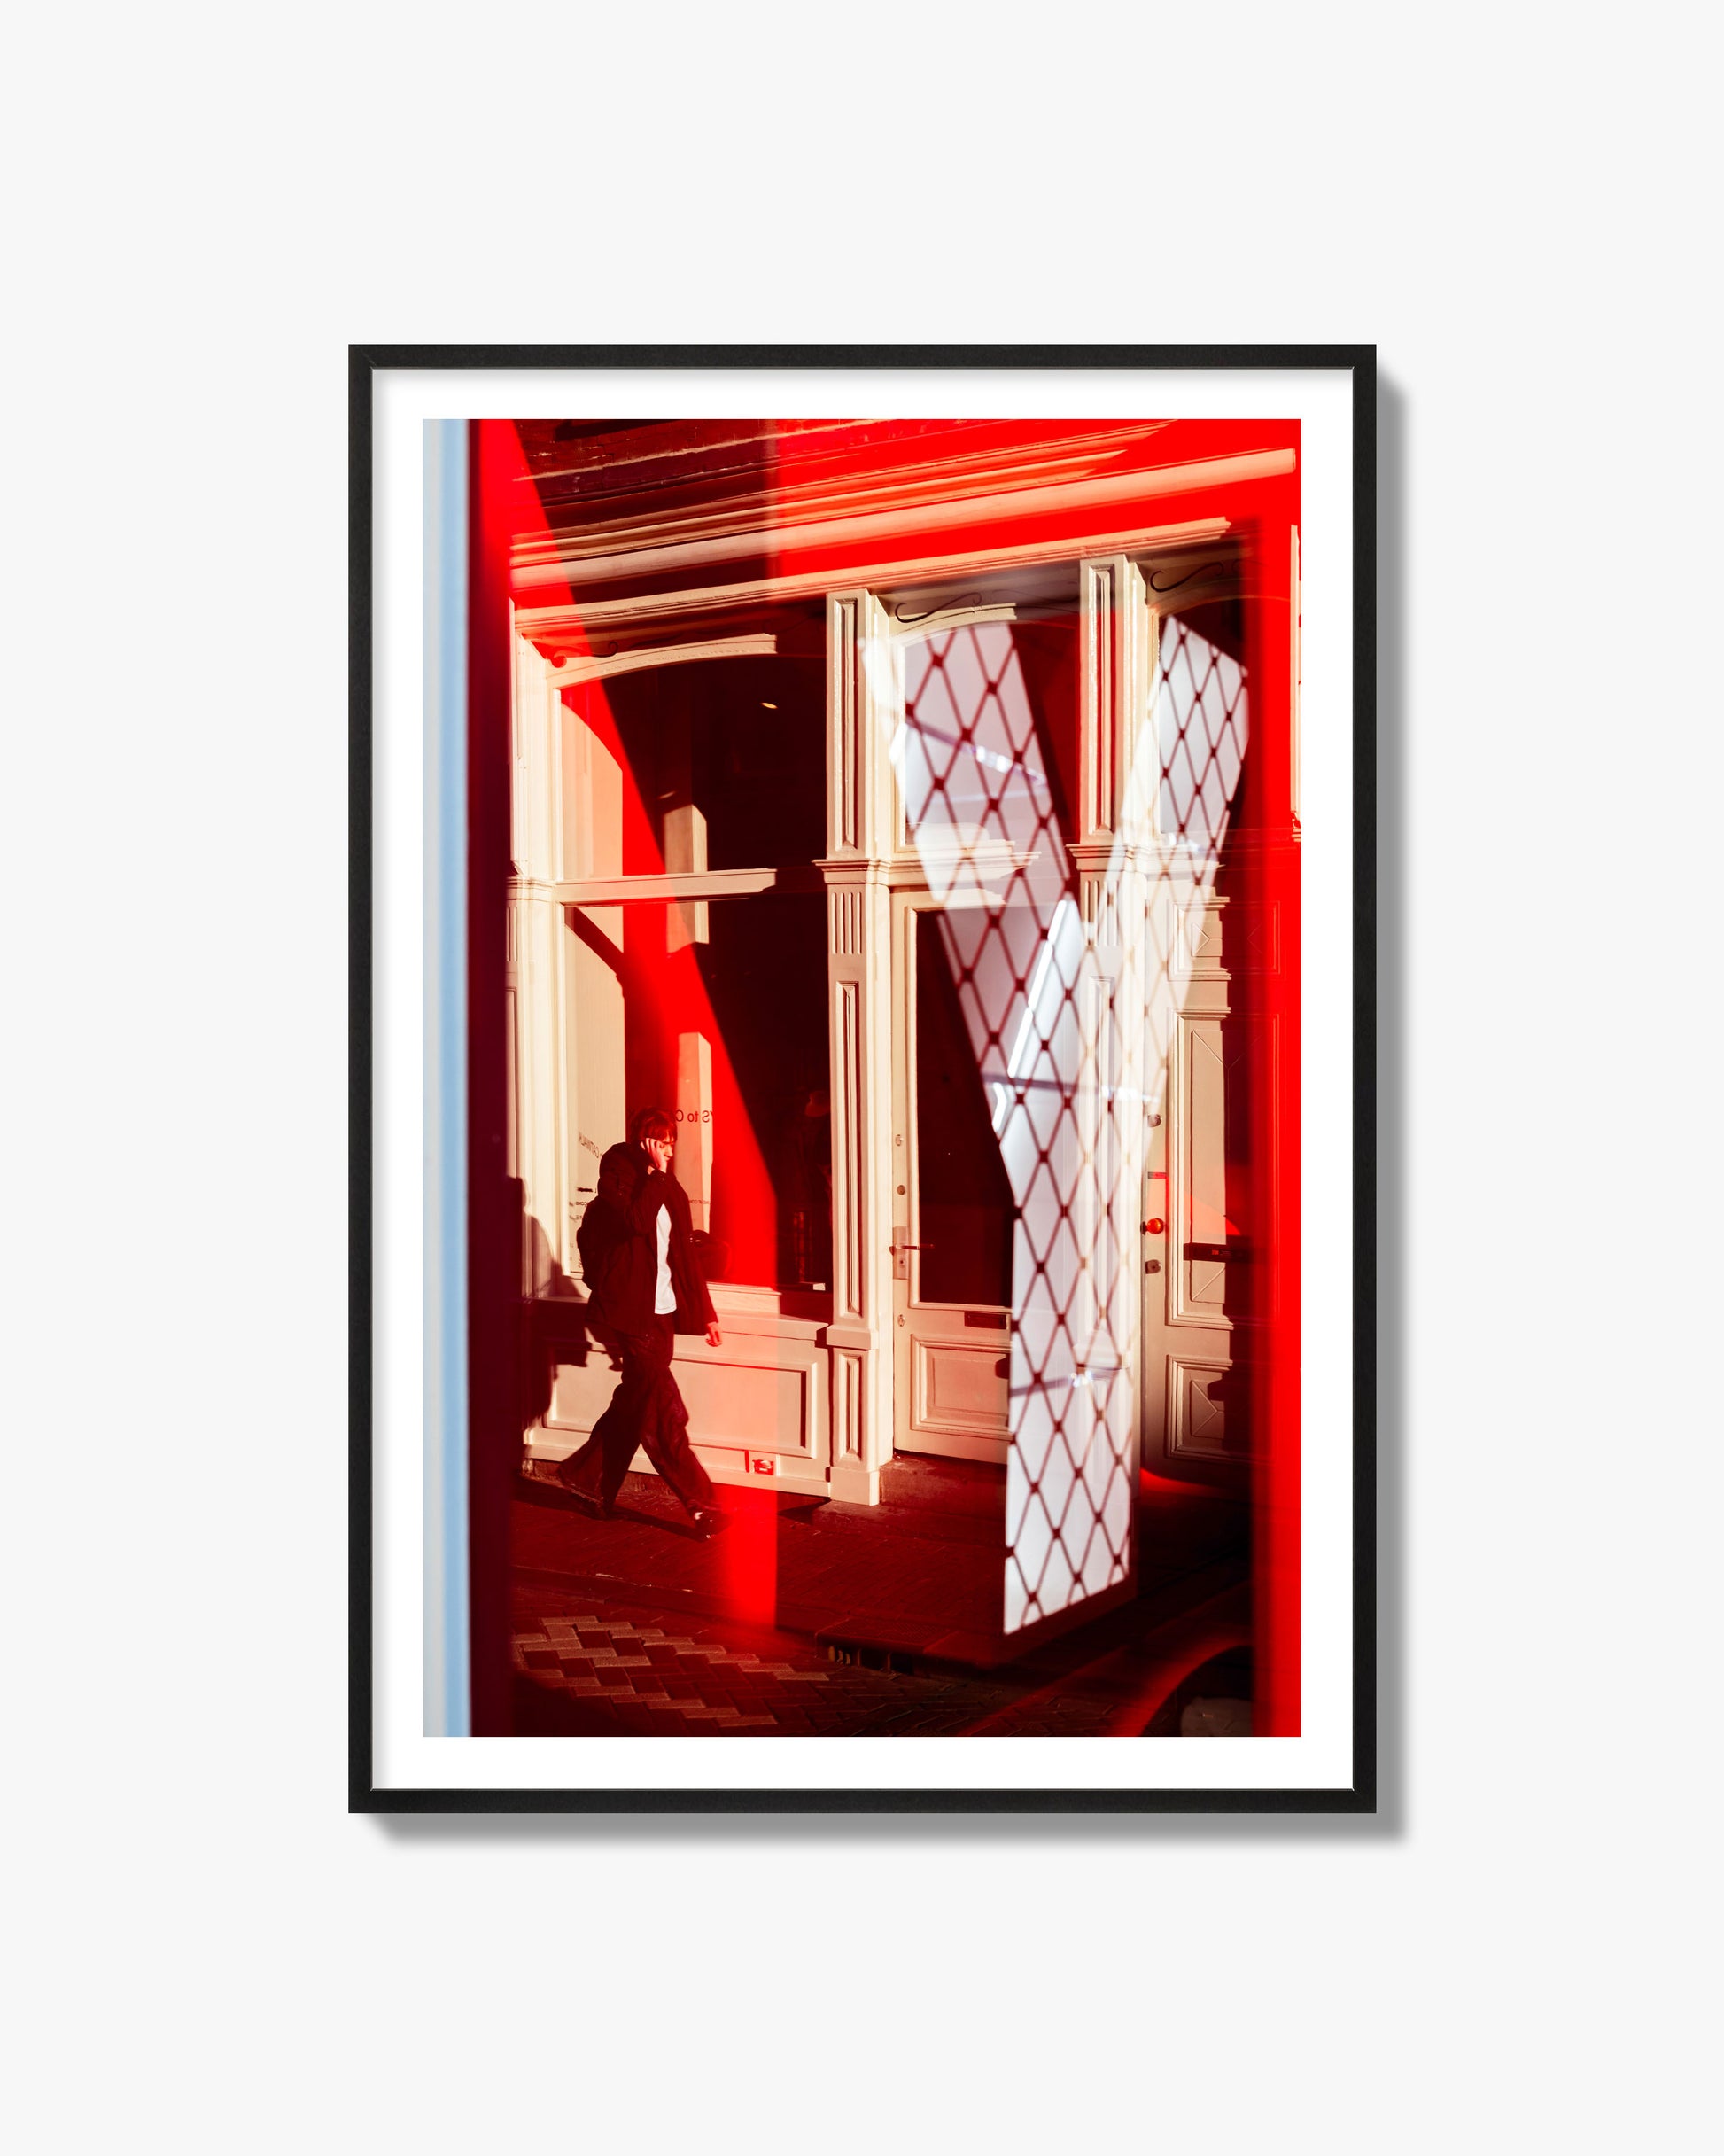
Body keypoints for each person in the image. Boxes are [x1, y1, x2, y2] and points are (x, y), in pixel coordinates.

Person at [557, 1108, 726, 1535]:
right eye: (659, 1139)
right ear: (642, 1140)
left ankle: (588, 1479)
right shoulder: (619, 1169)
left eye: (670, 1139)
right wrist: (653, 1174)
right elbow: (634, 1222)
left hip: (664, 1310)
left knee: (637, 1401)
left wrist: (705, 1313)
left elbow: (684, 1255)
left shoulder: (668, 1184)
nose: (667, 1147)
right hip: (630, 1311)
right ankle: (702, 1504)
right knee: (663, 1409)